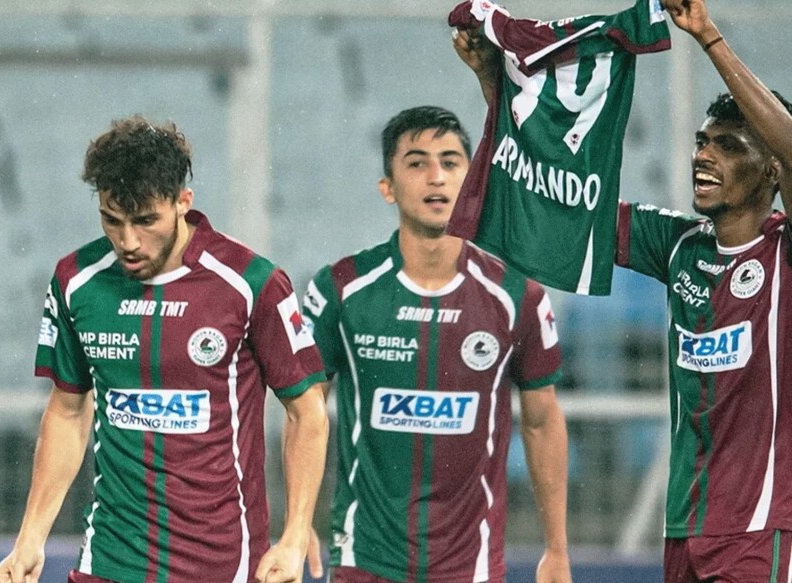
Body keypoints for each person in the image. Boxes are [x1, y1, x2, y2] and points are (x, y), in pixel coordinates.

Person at [457, 0, 792, 579]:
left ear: (772, 172)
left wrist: (709, 38)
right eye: (701, 141)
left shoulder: (783, 249)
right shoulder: (681, 245)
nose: (703, 155)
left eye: (728, 145)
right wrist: (496, 86)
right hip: (683, 529)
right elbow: (563, 204)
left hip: (761, 527)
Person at [0, 116, 329, 583]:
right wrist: (31, 537)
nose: (128, 241)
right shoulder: (76, 281)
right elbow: (68, 412)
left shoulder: (252, 284)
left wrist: (294, 536)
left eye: (145, 220)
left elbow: (307, 413)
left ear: (182, 203)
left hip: (223, 564)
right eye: (112, 219)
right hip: (111, 557)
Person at [300, 106, 571, 583]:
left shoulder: (516, 298)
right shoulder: (341, 290)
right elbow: (306, 413)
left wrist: (557, 547)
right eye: (417, 162)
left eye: (450, 162)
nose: (436, 177)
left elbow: (543, 421)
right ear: (388, 187)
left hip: (472, 565)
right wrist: (296, 524)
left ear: (472, 182)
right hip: (364, 559)